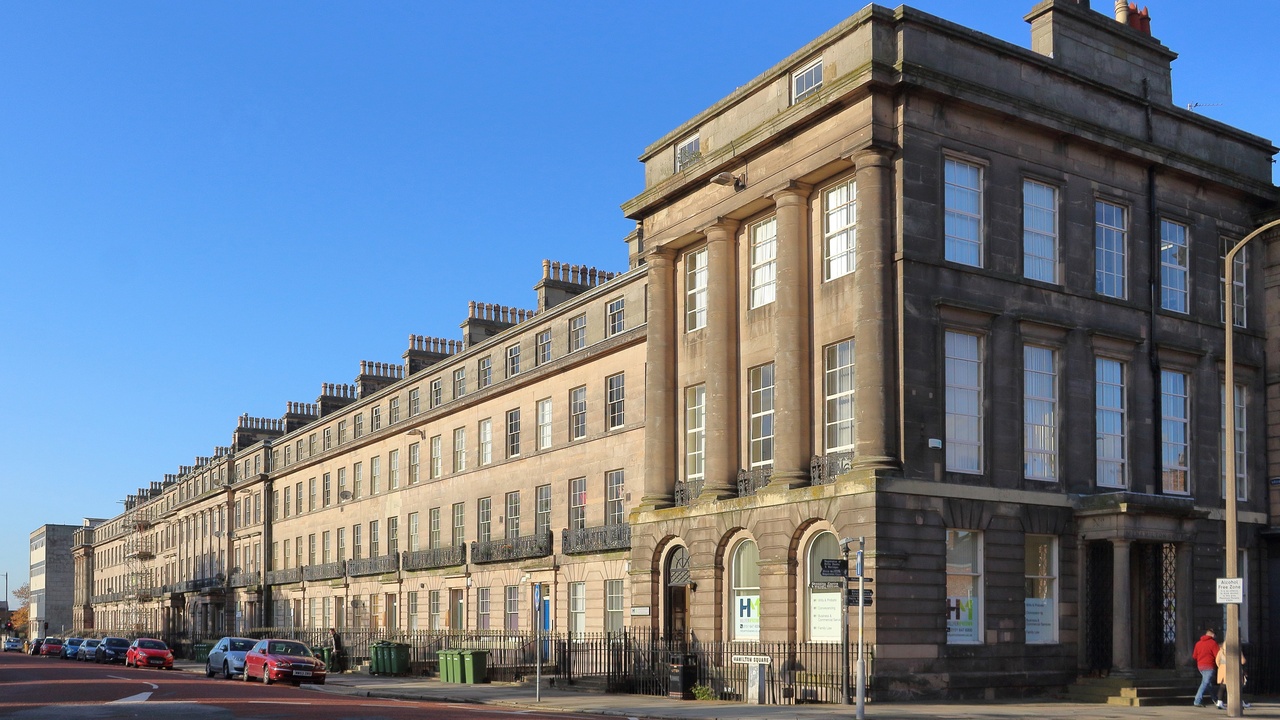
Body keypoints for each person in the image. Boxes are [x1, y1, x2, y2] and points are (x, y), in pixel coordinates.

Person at [1214, 644, 1251, 710]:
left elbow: (1217, 661)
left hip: (1222, 671)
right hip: (1234, 670)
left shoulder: (1221, 651)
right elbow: (1243, 661)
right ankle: (1239, 702)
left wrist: (1221, 667)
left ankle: (1219, 701)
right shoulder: (1237, 651)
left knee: (1223, 686)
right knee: (1237, 686)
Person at [1192, 628, 1218, 707]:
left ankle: (1216, 699)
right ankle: (1197, 700)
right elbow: (1217, 655)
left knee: (1208, 683)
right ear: (1212, 635)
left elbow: (1194, 656)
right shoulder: (1213, 643)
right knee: (1205, 683)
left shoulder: (1198, 643)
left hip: (1200, 666)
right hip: (1209, 665)